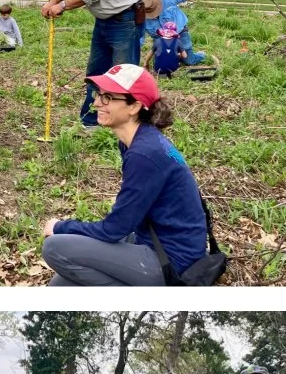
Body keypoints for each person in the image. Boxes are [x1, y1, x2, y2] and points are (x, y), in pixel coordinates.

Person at [42, 64, 209, 286]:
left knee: (55, 247)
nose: (97, 103)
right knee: (59, 286)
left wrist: (60, 226)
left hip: (171, 261)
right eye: (98, 94)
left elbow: (113, 229)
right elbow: (129, 218)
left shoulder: (144, 154)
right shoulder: (136, 141)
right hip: (150, 237)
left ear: (135, 106)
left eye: (108, 97)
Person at [139, 0, 206, 71]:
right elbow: (139, 38)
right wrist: (144, 64)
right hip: (160, 40)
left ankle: (202, 54)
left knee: (189, 61)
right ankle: (174, 56)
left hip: (180, 32)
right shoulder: (140, 15)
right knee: (159, 64)